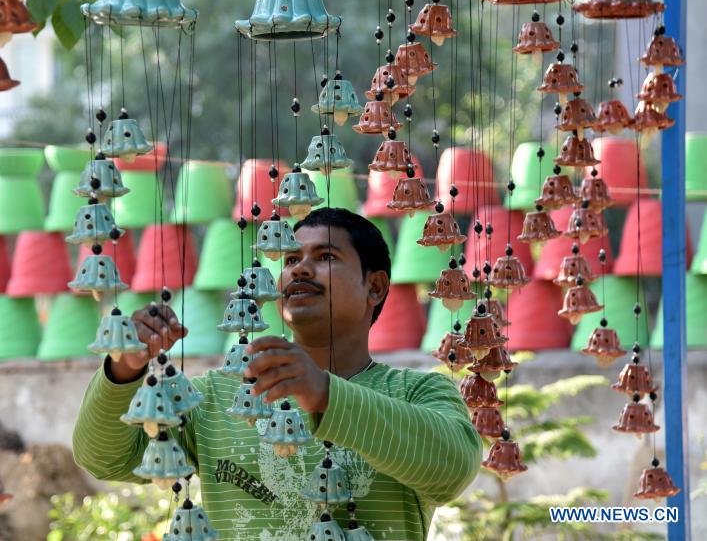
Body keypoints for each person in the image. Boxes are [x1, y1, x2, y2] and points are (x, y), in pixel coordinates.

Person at [73, 208, 482, 540]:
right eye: (289, 259)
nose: (300, 269)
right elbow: (105, 459)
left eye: (325, 257)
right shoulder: (218, 396)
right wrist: (125, 368)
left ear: (374, 287)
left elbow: (453, 468)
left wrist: (325, 395)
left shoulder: (417, 392)